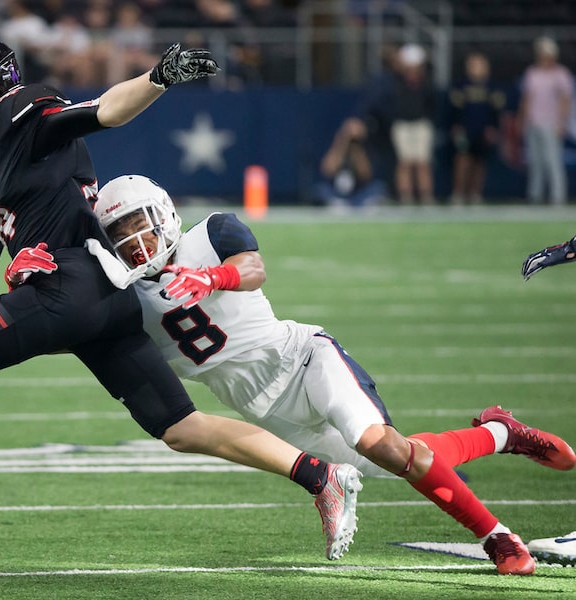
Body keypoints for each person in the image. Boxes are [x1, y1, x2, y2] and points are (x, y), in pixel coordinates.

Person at [0, 35, 363, 562]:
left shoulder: (22, 113)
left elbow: (105, 111)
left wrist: (158, 77)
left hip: (71, 285)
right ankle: (321, 476)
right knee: (182, 429)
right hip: (100, 299)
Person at [80, 174, 576, 575]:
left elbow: (252, 266)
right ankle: (499, 432)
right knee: (400, 458)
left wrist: (212, 277)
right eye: (120, 235)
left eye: (139, 225)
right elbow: (68, 329)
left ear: (164, 215)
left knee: (375, 443)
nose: (136, 243)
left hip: (303, 360)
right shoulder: (121, 303)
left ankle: (498, 538)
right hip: (268, 415)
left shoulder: (209, 234)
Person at [519, 36, 574, 205]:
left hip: (551, 123)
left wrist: (561, 123)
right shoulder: (532, 73)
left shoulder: (561, 74)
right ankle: (535, 196)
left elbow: (565, 101)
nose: (543, 56)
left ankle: (558, 197)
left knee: (552, 161)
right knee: (535, 161)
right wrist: (522, 120)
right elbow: (527, 98)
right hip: (533, 122)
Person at [448, 52, 505, 206]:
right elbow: (455, 110)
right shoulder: (461, 85)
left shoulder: (492, 87)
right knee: (462, 160)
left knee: (480, 163)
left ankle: (475, 194)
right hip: (466, 130)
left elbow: (496, 111)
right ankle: (459, 193)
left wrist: (493, 128)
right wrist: (456, 127)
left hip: (483, 130)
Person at [389, 43, 436, 205]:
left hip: (421, 124)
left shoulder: (425, 82)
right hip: (402, 125)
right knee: (405, 162)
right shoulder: (397, 80)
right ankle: (405, 197)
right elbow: (392, 61)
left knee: (422, 162)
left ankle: (426, 197)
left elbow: (431, 104)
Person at [313, 117, 388, 210]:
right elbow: (327, 170)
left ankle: (358, 205)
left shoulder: (363, 149)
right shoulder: (338, 147)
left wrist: (357, 146)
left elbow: (366, 175)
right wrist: (343, 140)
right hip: (337, 192)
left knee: (378, 187)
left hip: (356, 194)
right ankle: (339, 204)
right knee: (321, 189)